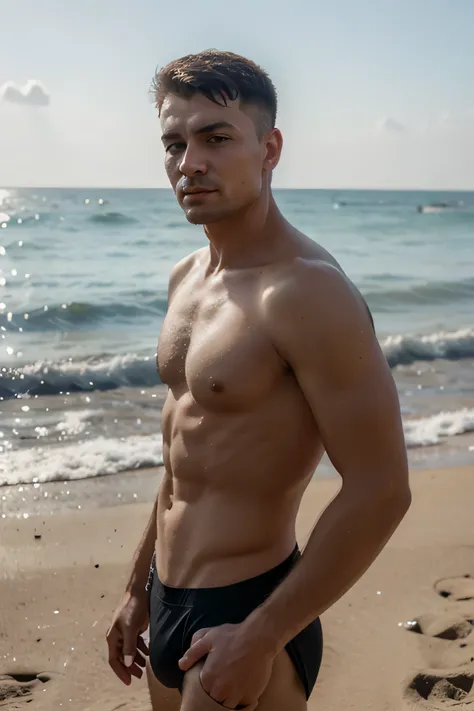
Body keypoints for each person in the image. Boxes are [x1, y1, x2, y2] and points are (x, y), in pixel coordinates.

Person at [106, 50, 411, 711]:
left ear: (269, 148)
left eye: (216, 138)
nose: (190, 163)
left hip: (248, 610)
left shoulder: (307, 292)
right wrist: (137, 588)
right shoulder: (186, 278)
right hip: (168, 599)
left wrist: (263, 633)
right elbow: (185, 453)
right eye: (174, 143)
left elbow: (382, 488)